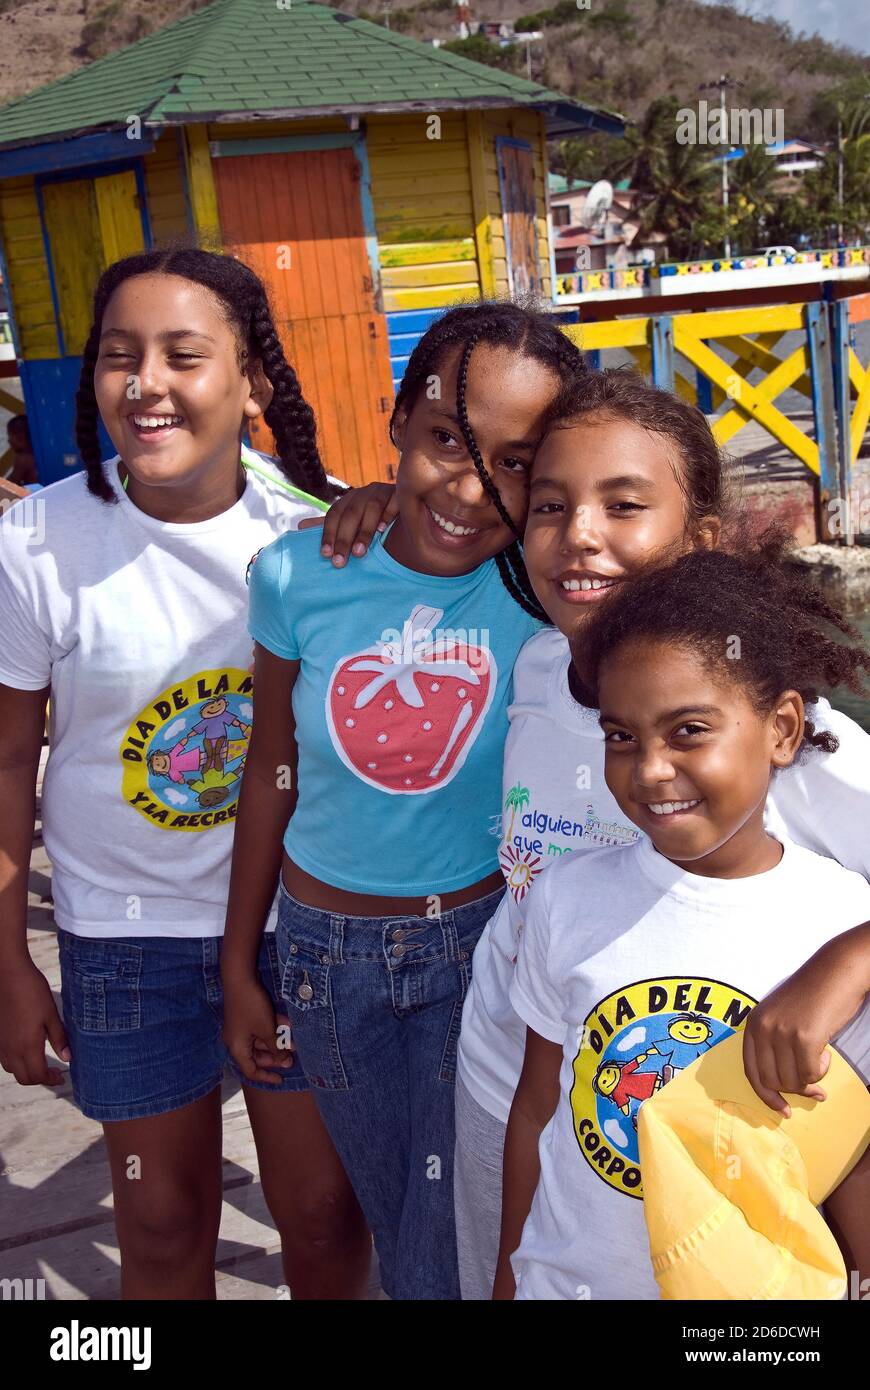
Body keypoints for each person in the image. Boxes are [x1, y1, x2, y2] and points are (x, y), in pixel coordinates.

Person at [0, 246, 376, 1300]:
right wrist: (9, 963)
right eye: (119, 356)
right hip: (124, 941)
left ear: (254, 380)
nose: (146, 383)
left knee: (322, 1210)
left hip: (296, 927)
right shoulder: (35, 542)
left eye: (183, 354)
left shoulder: (322, 531)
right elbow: (6, 759)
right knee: (160, 1221)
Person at [453, 369, 870, 1298]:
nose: (580, 534)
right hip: (515, 1088)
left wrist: (843, 965)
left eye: (624, 504)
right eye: (551, 504)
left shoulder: (786, 745)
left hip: (712, 1180)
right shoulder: (536, 665)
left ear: (702, 537)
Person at [221, 301, 585, 1300]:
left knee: (447, 1233)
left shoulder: (536, 587)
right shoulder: (302, 572)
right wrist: (239, 961)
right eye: (443, 443)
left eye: (514, 463)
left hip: (473, 950)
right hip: (320, 958)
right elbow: (270, 770)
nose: (470, 487)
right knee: (395, 1214)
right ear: (396, 423)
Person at [5, 414, 38, 487]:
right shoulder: (37, 455)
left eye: (10, 436)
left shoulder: (22, 459)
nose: (8, 441)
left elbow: (10, 484)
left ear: (20, 439)